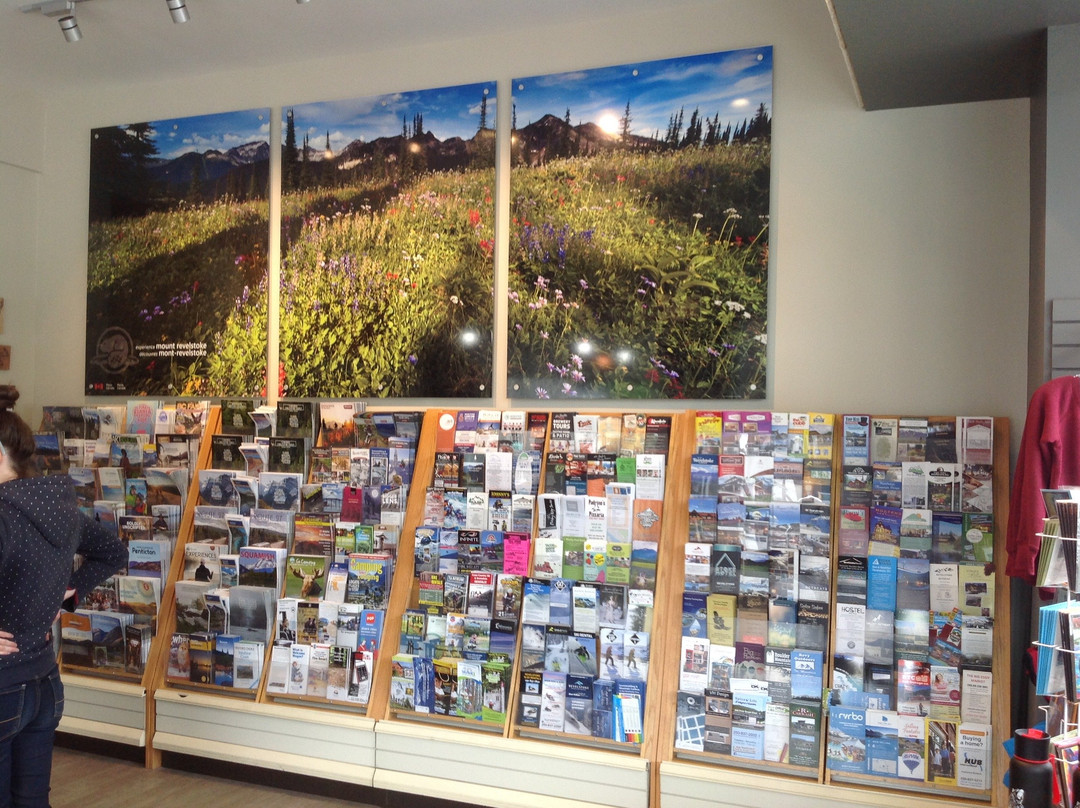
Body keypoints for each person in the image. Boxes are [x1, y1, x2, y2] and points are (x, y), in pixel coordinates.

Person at [0, 385, 128, 806]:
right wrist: (66, 598)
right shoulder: (58, 506)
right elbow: (113, 551)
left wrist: (63, 596)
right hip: (44, 683)